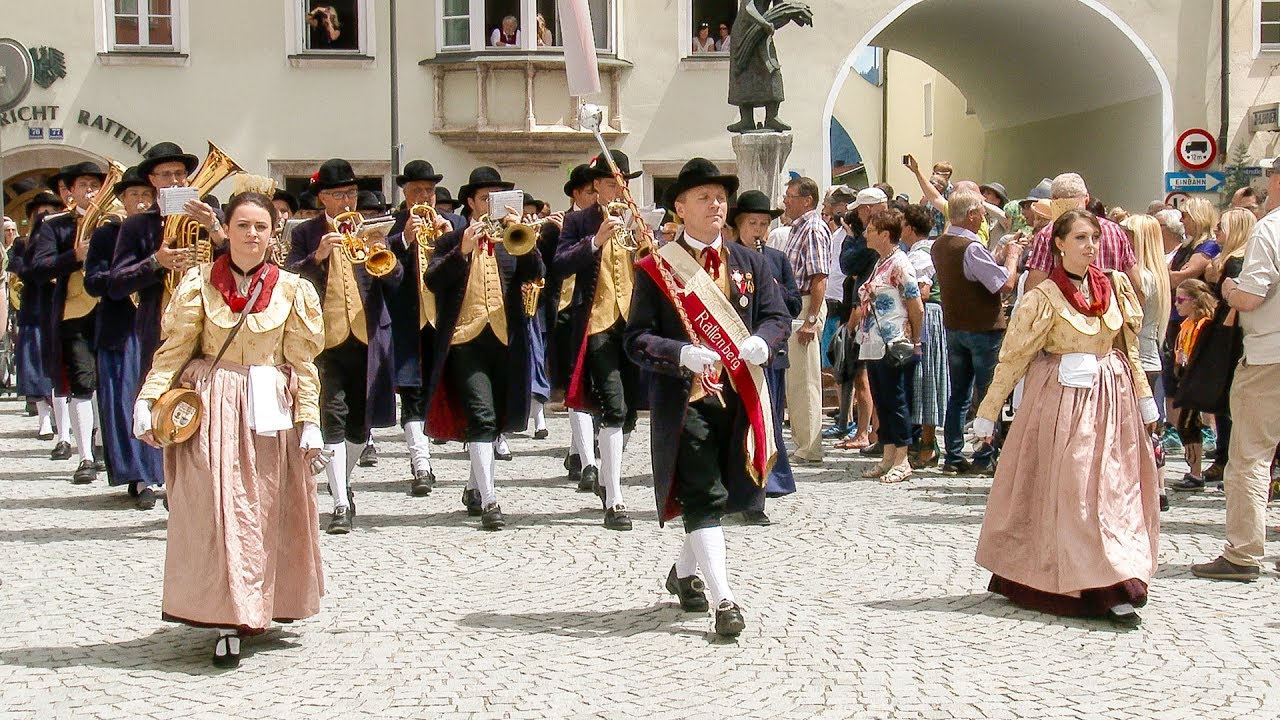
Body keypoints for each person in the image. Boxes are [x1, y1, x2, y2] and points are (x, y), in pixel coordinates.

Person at [134, 191, 325, 668]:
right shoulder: (199, 284)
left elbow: (303, 364)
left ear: (273, 232)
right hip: (213, 409)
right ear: (227, 230)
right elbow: (174, 350)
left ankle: (260, 604)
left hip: (267, 410)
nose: (252, 235)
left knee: (264, 511)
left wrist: (311, 423)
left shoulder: (293, 289)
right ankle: (225, 616)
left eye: (261, 227)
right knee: (218, 511)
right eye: (243, 226)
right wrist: (149, 399)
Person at [624, 158, 791, 637]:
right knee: (702, 493)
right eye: (704, 197)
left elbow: (777, 316)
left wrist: (765, 339)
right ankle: (725, 601)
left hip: (741, 397)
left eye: (720, 197)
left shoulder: (752, 261)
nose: (716, 205)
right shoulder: (656, 269)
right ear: (680, 207)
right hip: (687, 403)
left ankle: (683, 573)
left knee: (723, 495)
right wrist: (681, 353)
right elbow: (636, 340)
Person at [973, 209, 1160, 628]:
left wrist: (1145, 399)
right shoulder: (1043, 297)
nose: (1090, 246)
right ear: (1058, 243)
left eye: (1093, 237)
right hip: (1060, 399)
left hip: (1111, 400)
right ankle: (1076, 579)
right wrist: (989, 412)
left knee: (1114, 488)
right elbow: (1014, 357)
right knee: (1072, 487)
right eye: (1079, 238)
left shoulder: (1114, 286)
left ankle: (1116, 575)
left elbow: (1128, 349)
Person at [423, 166, 544, 530]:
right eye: (486, 197)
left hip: (505, 339)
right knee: (482, 416)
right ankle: (491, 500)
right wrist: (460, 251)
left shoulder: (513, 239)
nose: (492, 203)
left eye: (499, 196)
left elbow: (536, 274)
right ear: (472, 203)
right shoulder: (450, 240)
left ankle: (475, 486)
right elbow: (432, 281)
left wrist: (524, 238)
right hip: (464, 341)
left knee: (496, 418)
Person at [287, 158, 403, 535]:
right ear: (322, 198)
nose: (346, 200)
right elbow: (288, 278)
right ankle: (339, 503)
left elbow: (396, 279)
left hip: (367, 336)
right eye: (338, 194)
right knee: (332, 417)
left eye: (351, 193)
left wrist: (381, 250)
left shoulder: (369, 228)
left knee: (359, 425)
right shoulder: (306, 232)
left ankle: (344, 482)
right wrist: (318, 256)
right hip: (324, 339)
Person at [1191, 158, 1280, 582]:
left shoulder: (1270, 228)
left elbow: (1250, 298)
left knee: (1249, 456)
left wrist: (1227, 287)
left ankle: (1244, 552)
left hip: (1270, 355)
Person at [554, 152, 647, 530]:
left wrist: (648, 243)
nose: (618, 189)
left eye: (622, 182)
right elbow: (559, 264)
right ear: (596, 187)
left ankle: (609, 476)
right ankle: (616, 499)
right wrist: (594, 242)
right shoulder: (578, 221)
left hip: (634, 323)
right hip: (596, 325)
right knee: (612, 404)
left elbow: (653, 269)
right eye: (611, 183)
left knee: (627, 415)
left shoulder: (636, 221)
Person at [82, 165, 163, 509]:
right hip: (120, 327)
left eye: (146, 194)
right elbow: (94, 282)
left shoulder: (160, 231)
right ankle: (138, 474)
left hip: (152, 323)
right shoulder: (107, 234)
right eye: (134, 195)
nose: (142, 202)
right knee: (126, 400)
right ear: (121, 200)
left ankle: (162, 471)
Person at [931, 191, 1023, 475]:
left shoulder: (940, 244)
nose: (984, 215)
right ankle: (984, 455)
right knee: (988, 394)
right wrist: (1012, 257)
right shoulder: (970, 247)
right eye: (981, 211)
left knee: (958, 393)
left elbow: (971, 273)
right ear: (971, 214)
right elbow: (1003, 284)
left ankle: (954, 454)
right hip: (982, 328)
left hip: (956, 326)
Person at [386, 160, 463, 496]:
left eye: (429, 191)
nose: (424, 197)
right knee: (413, 394)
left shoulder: (456, 223)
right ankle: (421, 464)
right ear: (404, 193)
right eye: (417, 190)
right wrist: (403, 240)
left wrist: (454, 242)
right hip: (409, 321)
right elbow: (382, 269)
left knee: (451, 388)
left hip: (447, 321)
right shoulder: (392, 226)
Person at [28, 162, 108, 485]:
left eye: (95, 186)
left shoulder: (112, 222)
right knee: (82, 383)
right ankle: (85, 455)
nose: (90, 192)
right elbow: (37, 268)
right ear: (70, 191)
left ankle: (105, 447)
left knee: (110, 382)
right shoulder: (55, 226)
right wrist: (73, 256)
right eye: (84, 186)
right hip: (73, 312)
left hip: (111, 311)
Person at [728, 189, 800, 525]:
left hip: (770, 354)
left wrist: (776, 287)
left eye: (763, 224)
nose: (758, 229)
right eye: (752, 223)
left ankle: (766, 483)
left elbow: (793, 305)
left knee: (767, 420)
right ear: (739, 225)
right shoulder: (728, 258)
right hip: (733, 355)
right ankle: (738, 488)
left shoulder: (777, 259)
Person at [854, 210, 923, 483]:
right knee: (882, 400)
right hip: (874, 342)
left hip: (895, 342)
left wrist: (916, 340)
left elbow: (915, 305)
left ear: (885, 234)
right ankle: (888, 455)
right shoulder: (881, 262)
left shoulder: (901, 264)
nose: (865, 234)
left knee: (896, 401)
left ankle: (903, 458)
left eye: (870, 230)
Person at [1192, 208, 1258, 489]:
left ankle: (1226, 459)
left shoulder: (1235, 263)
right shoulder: (1232, 259)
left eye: (1223, 227)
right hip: (1231, 333)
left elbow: (1234, 307)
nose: (1217, 231)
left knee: (1227, 401)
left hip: (1230, 336)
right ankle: (1225, 457)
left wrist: (1221, 340)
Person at [551, 163, 597, 489]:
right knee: (574, 384)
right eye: (591, 191)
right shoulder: (564, 222)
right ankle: (585, 458)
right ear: (577, 194)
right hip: (564, 311)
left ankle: (577, 453)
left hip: (597, 310)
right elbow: (547, 265)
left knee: (593, 386)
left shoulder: (607, 220)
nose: (597, 196)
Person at [1024, 173, 1143, 298]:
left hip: (1067, 313)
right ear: (1086, 199)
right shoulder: (1115, 230)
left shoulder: (1048, 234)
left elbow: (1034, 288)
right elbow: (1136, 283)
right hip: (1110, 311)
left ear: (1053, 200)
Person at [1121, 214, 1171, 509]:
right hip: (1149, 355)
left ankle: (1149, 487)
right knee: (1150, 427)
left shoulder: (1142, 278)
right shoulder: (1158, 275)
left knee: (1138, 427)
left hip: (1138, 357)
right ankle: (1159, 487)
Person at [780, 176, 830, 464]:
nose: (786, 200)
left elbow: (819, 277)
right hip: (797, 304)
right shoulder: (798, 228)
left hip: (806, 305)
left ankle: (810, 447)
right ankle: (802, 442)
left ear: (807, 200)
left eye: (791, 195)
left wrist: (811, 319)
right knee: (796, 379)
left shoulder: (812, 229)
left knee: (805, 380)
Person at [833, 189, 886, 453]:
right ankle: (871, 432)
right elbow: (846, 265)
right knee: (865, 376)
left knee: (865, 377)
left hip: (867, 311)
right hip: (863, 308)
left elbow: (850, 264)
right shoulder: (868, 235)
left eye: (860, 209)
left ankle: (870, 432)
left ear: (868, 209)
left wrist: (855, 239)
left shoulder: (875, 236)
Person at [12, 192, 65, 447]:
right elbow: (22, 270)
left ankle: (61, 420)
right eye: (41, 214)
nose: (46, 218)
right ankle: (44, 417)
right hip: (34, 313)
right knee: (36, 370)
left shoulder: (63, 240)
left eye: (51, 213)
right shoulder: (23, 244)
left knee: (59, 369)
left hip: (60, 310)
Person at [901, 203, 947, 468]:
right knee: (922, 380)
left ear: (910, 227)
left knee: (927, 379)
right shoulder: (921, 251)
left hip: (926, 315)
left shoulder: (922, 254)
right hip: (926, 315)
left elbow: (922, 291)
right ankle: (924, 443)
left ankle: (928, 445)